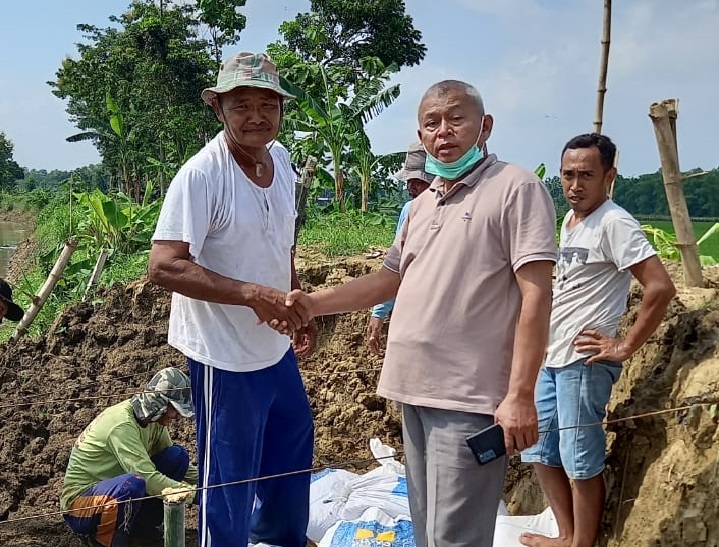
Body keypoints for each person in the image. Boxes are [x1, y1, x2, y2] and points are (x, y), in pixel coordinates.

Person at [282, 80, 558, 547]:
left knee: (458, 536)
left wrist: (520, 395)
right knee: (427, 529)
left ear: (483, 126)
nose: (444, 132)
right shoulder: (420, 204)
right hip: (414, 391)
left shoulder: (516, 188)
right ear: (421, 132)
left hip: (470, 400)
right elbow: (388, 280)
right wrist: (312, 303)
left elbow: (536, 296)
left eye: (456, 119)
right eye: (432, 123)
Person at [148, 51, 317, 547]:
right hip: (223, 355)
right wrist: (249, 294)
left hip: (272, 346)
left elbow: (281, 241)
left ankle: (280, 538)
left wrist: (292, 302)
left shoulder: (280, 159)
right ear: (218, 110)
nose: (256, 117)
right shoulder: (202, 175)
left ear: (282, 111)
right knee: (229, 473)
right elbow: (163, 265)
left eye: (268, 104)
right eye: (241, 105)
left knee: (292, 440)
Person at [520, 133, 676, 547]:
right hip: (551, 357)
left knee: (579, 458)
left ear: (609, 176)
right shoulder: (570, 222)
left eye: (586, 175)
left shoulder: (613, 221)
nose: (575, 185)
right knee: (539, 451)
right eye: (568, 175)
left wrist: (623, 346)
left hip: (583, 362)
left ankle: (581, 543)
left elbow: (660, 287)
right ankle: (567, 535)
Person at [61, 367, 198, 547]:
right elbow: (149, 479)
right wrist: (196, 496)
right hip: (81, 506)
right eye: (176, 410)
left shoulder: (154, 421)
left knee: (176, 457)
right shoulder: (122, 426)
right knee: (132, 485)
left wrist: (211, 485)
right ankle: (103, 542)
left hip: (115, 492)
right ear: (159, 404)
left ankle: (142, 533)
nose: (178, 417)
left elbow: (179, 467)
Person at [366, 141, 432, 355]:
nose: (410, 187)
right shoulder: (410, 211)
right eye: (409, 181)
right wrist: (379, 312)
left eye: (417, 181)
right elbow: (397, 268)